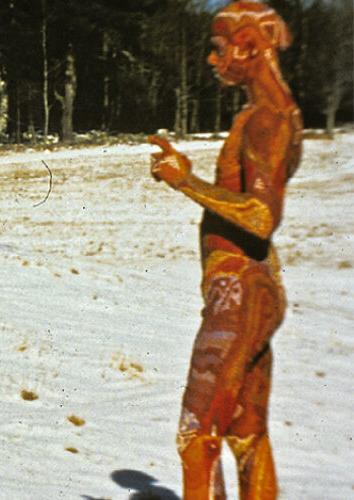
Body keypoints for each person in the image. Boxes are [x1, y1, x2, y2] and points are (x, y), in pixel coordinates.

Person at [147, 2, 301, 499]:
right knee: (245, 433)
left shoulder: (264, 120)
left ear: (249, 46)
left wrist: (185, 181)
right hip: (255, 290)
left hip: (238, 295)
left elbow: (261, 216)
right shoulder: (277, 114)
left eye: (218, 50)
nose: (213, 62)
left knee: (197, 436)